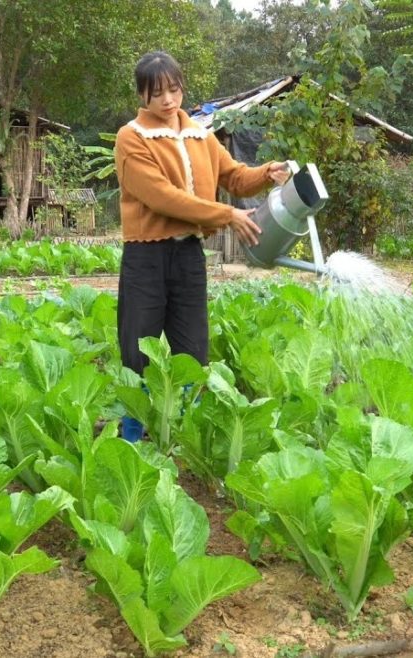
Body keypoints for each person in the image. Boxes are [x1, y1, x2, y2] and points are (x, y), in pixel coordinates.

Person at [114, 50, 290, 442]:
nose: (168, 100)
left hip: (188, 254)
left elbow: (234, 176)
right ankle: (131, 434)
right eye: (157, 92)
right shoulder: (132, 138)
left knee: (192, 348)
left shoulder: (199, 134)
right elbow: (161, 197)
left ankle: (183, 437)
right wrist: (224, 214)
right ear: (142, 95)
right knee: (137, 347)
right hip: (146, 254)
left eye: (174, 89)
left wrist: (267, 173)